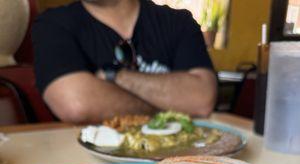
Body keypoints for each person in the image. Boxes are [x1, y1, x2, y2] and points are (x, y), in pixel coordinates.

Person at [32, 0, 217, 124]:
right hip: (89, 162)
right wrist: (167, 112)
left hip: (176, 157)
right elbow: (75, 104)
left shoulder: (178, 22)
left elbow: (201, 100)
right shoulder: (52, 24)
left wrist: (113, 76)